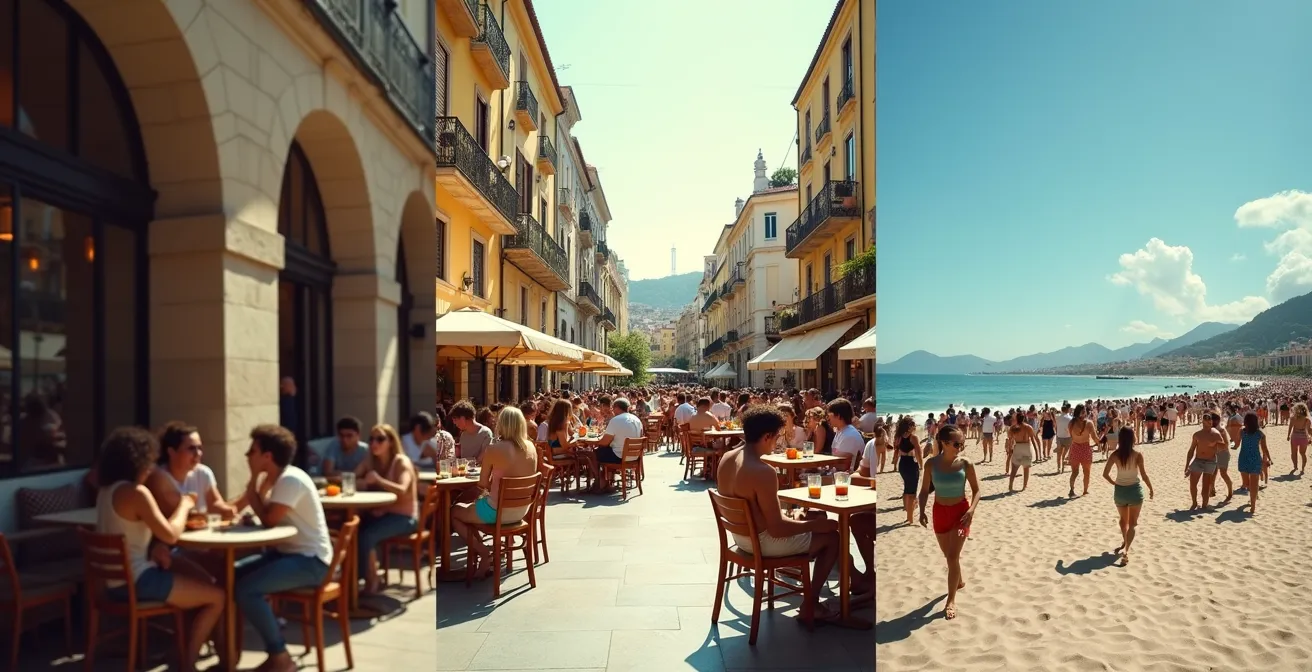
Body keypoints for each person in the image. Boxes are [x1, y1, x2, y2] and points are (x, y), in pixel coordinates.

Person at [96, 427, 224, 672]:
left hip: (113, 585)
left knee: (198, 581)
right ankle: (186, 665)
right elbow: (171, 534)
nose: (152, 468)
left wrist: (155, 549)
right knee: (217, 597)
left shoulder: (106, 492)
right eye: (149, 461)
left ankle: (179, 653)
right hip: (139, 581)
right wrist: (185, 504)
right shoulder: (136, 493)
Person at [715, 405, 840, 624]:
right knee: (831, 536)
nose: (777, 443)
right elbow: (777, 529)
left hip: (741, 539)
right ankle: (811, 605)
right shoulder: (763, 471)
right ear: (766, 436)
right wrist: (812, 526)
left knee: (814, 521)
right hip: (762, 542)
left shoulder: (727, 458)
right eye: (777, 437)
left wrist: (802, 522)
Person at [228, 425, 334, 672]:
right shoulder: (275, 478)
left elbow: (269, 520)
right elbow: (253, 508)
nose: (246, 455)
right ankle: (229, 651)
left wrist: (253, 479)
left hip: (311, 562)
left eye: (252, 450)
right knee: (231, 574)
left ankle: (281, 657)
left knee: (247, 590)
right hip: (287, 554)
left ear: (267, 456)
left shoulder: (290, 479)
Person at [450, 407, 539, 578]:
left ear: (502, 425)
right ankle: (488, 552)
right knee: (471, 507)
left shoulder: (495, 449)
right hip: (522, 511)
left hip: (496, 512)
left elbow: (482, 484)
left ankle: (484, 553)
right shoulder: (531, 447)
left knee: (455, 511)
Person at [917, 424, 980, 621]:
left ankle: (951, 600)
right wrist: (920, 511)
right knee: (948, 557)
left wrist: (971, 510)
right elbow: (925, 490)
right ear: (944, 443)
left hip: (961, 513)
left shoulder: (966, 464)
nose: (960, 446)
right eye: (956, 443)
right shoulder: (931, 464)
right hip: (939, 512)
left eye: (962, 443)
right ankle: (958, 580)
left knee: (953, 557)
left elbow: (977, 490)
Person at [354, 423, 418, 597]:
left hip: (404, 518)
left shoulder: (401, 461)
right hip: (383, 514)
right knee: (352, 528)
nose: (374, 443)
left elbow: (403, 489)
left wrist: (378, 480)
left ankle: (371, 579)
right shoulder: (371, 461)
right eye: (372, 439)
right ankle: (358, 577)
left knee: (366, 535)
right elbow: (353, 479)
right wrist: (364, 481)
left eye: (380, 439)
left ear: (390, 441)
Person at [1101, 427, 1154, 566]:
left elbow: (1105, 474)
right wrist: (1150, 488)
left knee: (1123, 520)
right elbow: (1143, 475)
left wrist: (1115, 483)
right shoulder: (1137, 455)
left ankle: (1125, 541)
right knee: (1133, 523)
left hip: (1120, 492)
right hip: (1134, 491)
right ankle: (1126, 551)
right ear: (1132, 439)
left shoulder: (1115, 455)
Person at [1184, 413, 1226, 511]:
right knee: (1193, 483)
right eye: (1207, 419)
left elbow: (1223, 446)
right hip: (1198, 460)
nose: (1209, 421)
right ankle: (1194, 502)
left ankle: (1204, 504)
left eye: (1210, 419)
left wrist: (1214, 444)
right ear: (1202, 421)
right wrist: (1187, 465)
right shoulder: (1197, 434)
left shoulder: (1215, 433)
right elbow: (1191, 450)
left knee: (1206, 484)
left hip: (1210, 461)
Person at [1238, 412, 1272, 515]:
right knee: (1249, 484)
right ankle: (1254, 497)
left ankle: (1253, 506)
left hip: (1245, 458)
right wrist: (1269, 459)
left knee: (1249, 484)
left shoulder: (1244, 432)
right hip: (1254, 459)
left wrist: (1269, 459)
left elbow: (1236, 443)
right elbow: (1264, 448)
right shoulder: (1259, 433)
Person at [893, 417, 921, 526]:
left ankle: (906, 510)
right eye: (913, 425)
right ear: (909, 426)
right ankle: (910, 518)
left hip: (902, 464)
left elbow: (896, 451)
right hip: (911, 463)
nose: (914, 427)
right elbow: (918, 452)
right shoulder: (913, 437)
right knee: (912, 492)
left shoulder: (898, 437)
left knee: (906, 488)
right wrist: (921, 465)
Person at [827, 399, 866, 471]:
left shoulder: (849, 435)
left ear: (838, 416)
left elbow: (843, 466)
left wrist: (823, 466)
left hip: (844, 477)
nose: (828, 419)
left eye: (829, 415)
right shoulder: (841, 431)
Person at [1067, 404, 1097, 497]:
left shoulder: (1071, 423)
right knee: (1086, 471)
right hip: (1085, 448)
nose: (1086, 413)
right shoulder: (1089, 423)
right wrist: (1100, 442)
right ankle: (1085, 491)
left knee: (1074, 472)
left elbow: (1071, 435)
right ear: (1083, 412)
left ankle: (1071, 490)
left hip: (1075, 447)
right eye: (1084, 411)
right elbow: (1094, 437)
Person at [1006, 412, 1038, 492]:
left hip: (1018, 447)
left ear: (1016, 419)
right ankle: (1024, 486)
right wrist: (1037, 451)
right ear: (1024, 418)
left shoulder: (1013, 428)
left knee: (1014, 468)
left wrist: (1010, 450)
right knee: (1026, 468)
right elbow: (1033, 440)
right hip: (1026, 447)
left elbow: (1010, 440)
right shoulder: (1028, 427)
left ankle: (1010, 485)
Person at [1288, 402, 1310, 474]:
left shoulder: (1293, 418)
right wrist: (1309, 438)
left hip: (1295, 437)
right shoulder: (1307, 419)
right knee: (1303, 453)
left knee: (1293, 453)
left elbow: (1290, 427)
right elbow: (1308, 430)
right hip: (1304, 438)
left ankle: (1295, 466)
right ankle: (1303, 468)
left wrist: (1288, 435)